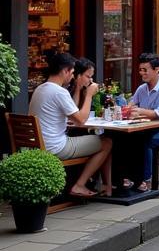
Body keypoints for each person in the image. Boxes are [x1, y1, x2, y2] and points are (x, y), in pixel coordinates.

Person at [29, 51, 112, 197]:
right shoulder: (59, 92)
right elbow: (80, 121)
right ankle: (79, 185)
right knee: (106, 143)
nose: (73, 76)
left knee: (99, 141)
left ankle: (100, 185)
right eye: (72, 72)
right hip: (56, 147)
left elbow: (71, 115)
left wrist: (79, 90)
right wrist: (89, 96)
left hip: (39, 145)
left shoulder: (40, 89)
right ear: (65, 71)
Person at [121, 54, 159, 193]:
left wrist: (139, 110)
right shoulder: (142, 89)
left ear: (156, 69)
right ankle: (127, 178)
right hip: (149, 128)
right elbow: (131, 104)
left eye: (145, 70)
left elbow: (158, 114)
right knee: (127, 138)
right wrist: (126, 109)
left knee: (146, 141)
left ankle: (146, 180)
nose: (142, 73)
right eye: (140, 69)